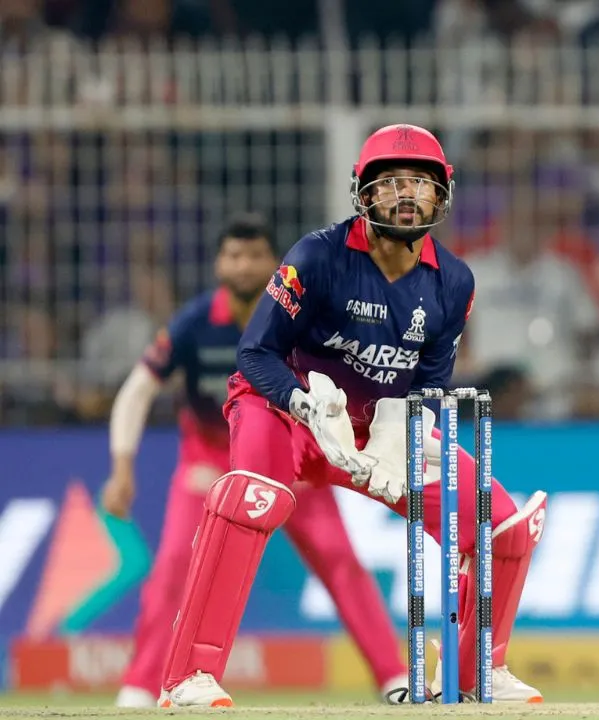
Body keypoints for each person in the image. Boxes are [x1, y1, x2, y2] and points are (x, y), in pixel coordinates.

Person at [157, 125, 547, 707]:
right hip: (283, 409)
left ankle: (473, 673)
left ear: (442, 194)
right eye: (390, 182)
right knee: (251, 496)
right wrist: (301, 404)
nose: (406, 194)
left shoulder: (454, 282)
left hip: (375, 427)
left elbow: (432, 380)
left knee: (501, 525)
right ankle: (188, 676)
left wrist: (398, 433)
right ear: (363, 192)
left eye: (420, 182)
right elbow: (255, 354)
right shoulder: (317, 256)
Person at [101, 215, 410, 707]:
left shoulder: (304, 315)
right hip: (209, 466)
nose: (244, 266)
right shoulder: (194, 323)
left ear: (276, 264)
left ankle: (393, 677)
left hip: (293, 458)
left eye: (254, 256)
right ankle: (140, 687)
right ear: (218, 264)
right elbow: (138, 390)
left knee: (340, 561)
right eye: (234, 256)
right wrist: (122, 467)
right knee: (175, 567)